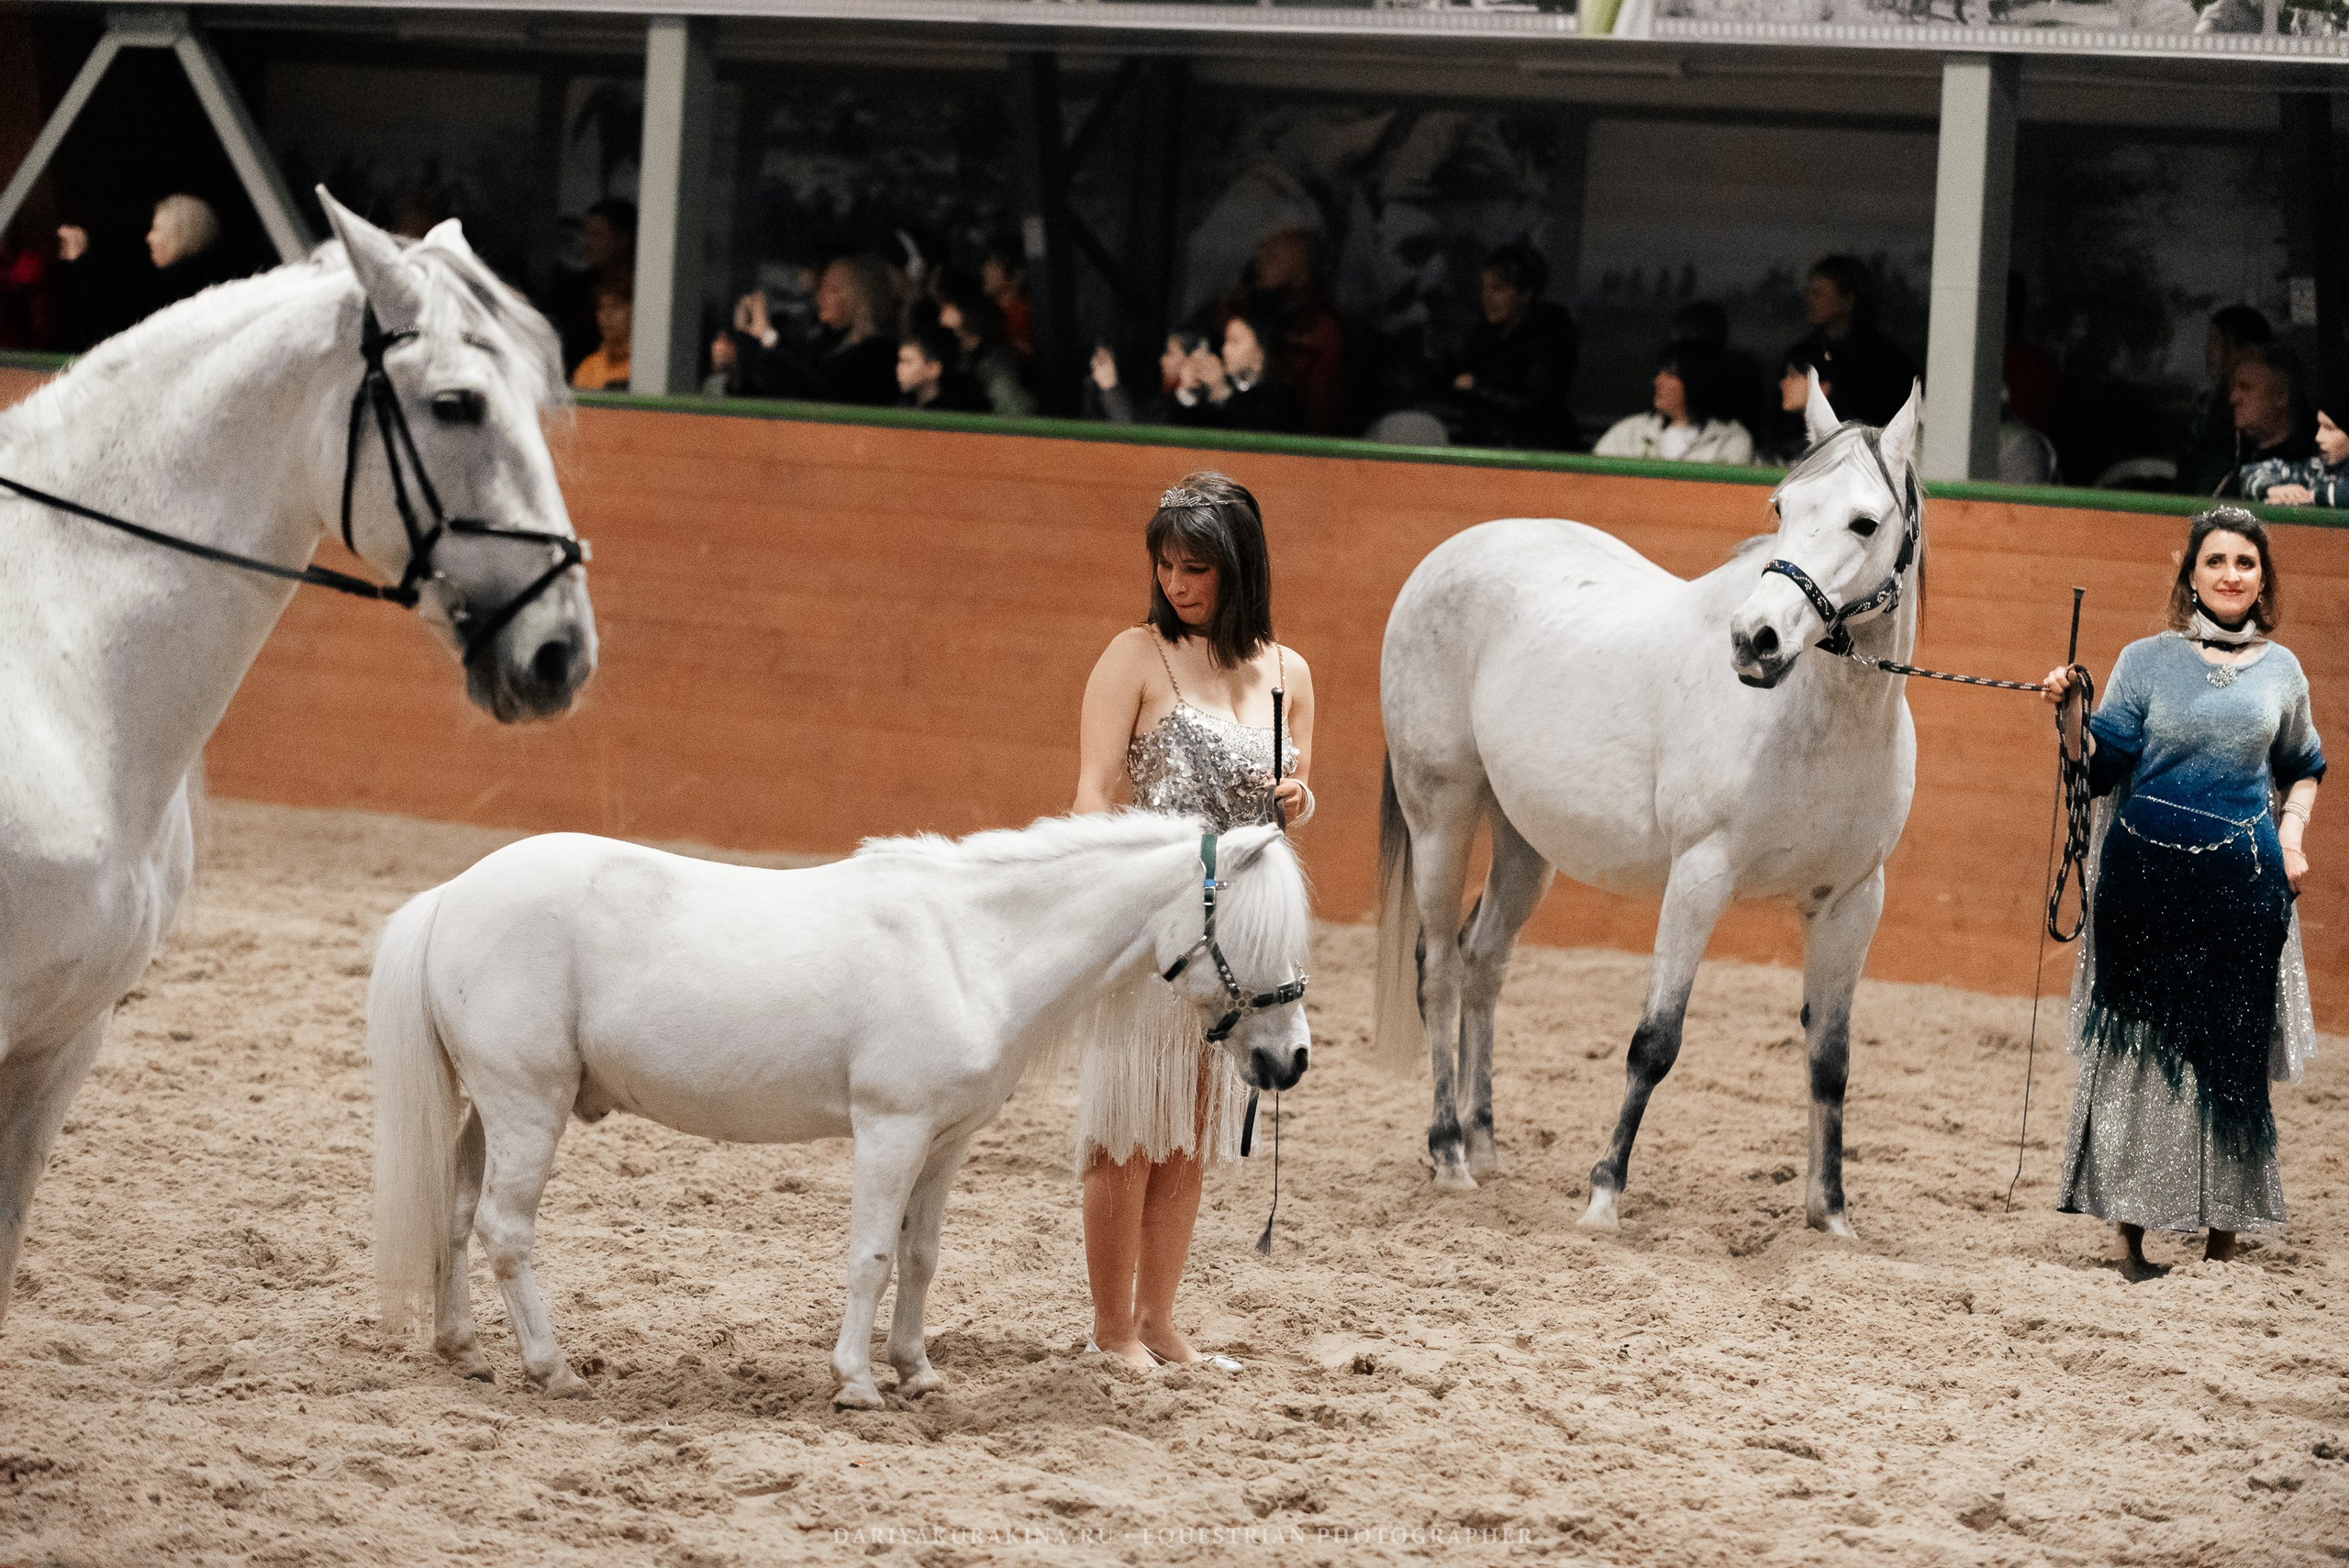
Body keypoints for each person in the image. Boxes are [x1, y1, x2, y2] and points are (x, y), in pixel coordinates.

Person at [1070, 471, 1315, 1372]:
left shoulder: (1289, 672)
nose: (1176, 584)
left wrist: (1300, 797)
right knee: (1129, 1125)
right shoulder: (1134, 655)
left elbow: (1286, 801)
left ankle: (1158, 1318)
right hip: (1154, 922)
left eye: (1196, 568)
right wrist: (1100, 898)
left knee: (1191, 1130)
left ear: (1237, 568)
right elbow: (1095, 787)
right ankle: (1112, 1328)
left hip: (1237, 940)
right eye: (1166, 565)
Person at [2041, 507, 2322, 1277]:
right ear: (2190, 575)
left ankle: (2222, 1240)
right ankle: (2127, 1237)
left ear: (2262, 580)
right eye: (2215, 561)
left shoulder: (2284, 670)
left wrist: (2291, 838)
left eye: (2245, 563)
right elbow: (2099, 766)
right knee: (2138, 1056)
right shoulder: (2143, 660)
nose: (2231, 574)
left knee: (2233, 1056)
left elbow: (2303, 766)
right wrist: (2071, 711)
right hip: (2144, 889)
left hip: (2243, 891)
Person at [714, 254, 899, 406]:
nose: (821, 296)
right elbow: (778, 392)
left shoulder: (880, 352)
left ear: (859, 298)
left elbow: (823, 388)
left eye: (834, 290)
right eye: (821, 288)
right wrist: (738, 353)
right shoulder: (820, 344)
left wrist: (768, 337)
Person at [53, 193, 232, 348]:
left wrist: (80, 263)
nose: (148, 238)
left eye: (156, 229)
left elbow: (110, 332)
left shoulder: (169, 293)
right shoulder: (202, 284)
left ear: (180, 236)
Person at [1451, 240, 1579, 450]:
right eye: (1484, 289)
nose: (1487, 298)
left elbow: (1538, 405)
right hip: (1484, 447)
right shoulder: (1485, 332)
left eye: (1498, 289)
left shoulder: (1549, 332)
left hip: (1538, 451)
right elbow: (1460, 381)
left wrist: (1478, 390)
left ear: (1526, 293)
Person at [1224, 229, 1347, 435]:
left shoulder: (1321, 333)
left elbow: (1318, 416)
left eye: (1273, 257)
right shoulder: (1242, 309)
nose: (1262, 262)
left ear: (1301, 276)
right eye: (1262, 254)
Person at [1783, 254, 1916, 428]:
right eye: (1808, 293)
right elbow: (1783, 422)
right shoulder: (1802, 355)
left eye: (1819, 294)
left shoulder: (1881, 359)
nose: (1809, 300)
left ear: (1848, 301)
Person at [1593, 339, 1753, 464]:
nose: (1658, 381)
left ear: (1696, 382)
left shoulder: (1729, 440)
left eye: (1670, 375)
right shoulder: (1630, 432)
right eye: (1658, 373)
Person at [2177, 306, 2273, 497]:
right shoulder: (2208, 402)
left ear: (2244, 349)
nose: (2208, 351)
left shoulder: (2257, 415)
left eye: (2216, 341)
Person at [1170, 313, 1303, 433]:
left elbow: (1256, 437)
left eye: (1234, 341)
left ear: (1260, 352)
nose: (1225, 349)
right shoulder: (1221, 387)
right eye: (1225, 341)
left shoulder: (1282, 397)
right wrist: (1189, 392)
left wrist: (1221, 393)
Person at [2216, 342, 2317, 498]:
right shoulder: (2222, 457)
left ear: (2281, 396)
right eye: (2234, 387)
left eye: (2246, 387)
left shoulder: (2315, 464)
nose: (2233, 398)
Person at [551, 197, 636, 377]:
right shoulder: (573, 291)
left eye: (596, 235)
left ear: (622, 240)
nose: (586, 244)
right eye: (585, 234)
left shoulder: (643, 290)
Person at [937, 272, 1036, 416]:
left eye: (946, 305)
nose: (941, 314)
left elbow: (1017, 415)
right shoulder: (963, 361)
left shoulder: (995, 367)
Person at [2243, 406, 2349, 508]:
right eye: (2320, 426)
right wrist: (2272, 489)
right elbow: (2249, 472)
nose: (2318, 437)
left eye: (2330, 428)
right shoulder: (2315, 469)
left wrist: (2312, 496)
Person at [1754, 350, 1833, 467]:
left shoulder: (1839, 444)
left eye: (1793, 375)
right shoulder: (1781, 437)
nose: (1783, 383)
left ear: (1823, 387)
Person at [895, 322, 987, 412]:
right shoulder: (904, 405)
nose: (899, 368)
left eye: (907, 362)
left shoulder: (961, 411)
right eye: (899, 361)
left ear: (933, 369)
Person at [568, 284, 631, 392]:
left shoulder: (644, 363)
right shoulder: (588, 367)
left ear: (632, 311)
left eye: (616, 307)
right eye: (601, 308)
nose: (607, 315)